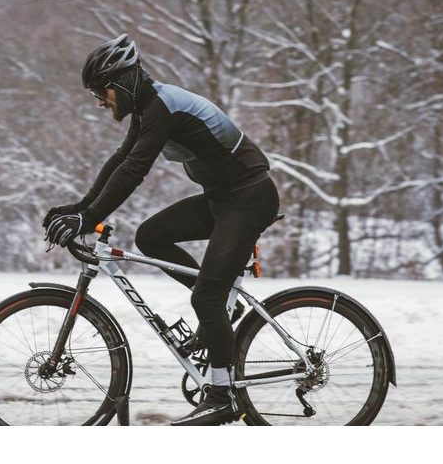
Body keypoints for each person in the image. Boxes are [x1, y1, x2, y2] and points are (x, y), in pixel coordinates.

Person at [43, 34, 280, 427]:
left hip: (249, 199)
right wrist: (82, 209)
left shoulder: (162, 107)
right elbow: (121, 159)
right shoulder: (149, 108)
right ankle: (224, 307)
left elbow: (135, 170)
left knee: (205, 296)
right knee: (150, 237)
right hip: (223, 198)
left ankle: (223, 396)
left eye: (101, 93)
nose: (100, 102)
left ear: (120, 84)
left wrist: (88, 218)